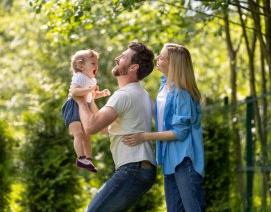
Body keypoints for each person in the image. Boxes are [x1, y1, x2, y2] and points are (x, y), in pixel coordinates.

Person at [72, 41, 157, 212]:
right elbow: (104, 128)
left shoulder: (124, 95)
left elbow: (90, 127)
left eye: (124, 57)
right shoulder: (139, 93)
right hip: (139, 169)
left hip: (133, 169)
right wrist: (90, 102)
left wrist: (80, 101)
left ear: (134, 67)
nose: (117, 58)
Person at [123, 43, 206, 212]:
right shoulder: (164, 87)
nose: (157, 59)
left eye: (161, 57)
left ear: (173, 64)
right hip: (169, 160)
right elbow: (161, 117)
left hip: (184, 160)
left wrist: (144, 136)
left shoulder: (183, 94)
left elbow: (180, 133)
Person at [61, 49, 110, 173]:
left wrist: (100, 93)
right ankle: (81, 158)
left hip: (85, 107)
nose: (96, 66)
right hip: (73, 106)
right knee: (78, 133)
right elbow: (74, 92)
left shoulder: (91, 80)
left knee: (87, 135)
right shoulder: (79, 77)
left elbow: (90, 95)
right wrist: (90, 89)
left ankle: (88, 159)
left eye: (97, 63)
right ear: (81, 65)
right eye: (93, 64)